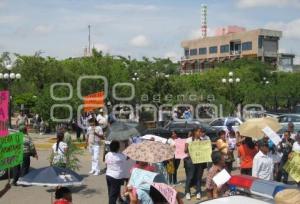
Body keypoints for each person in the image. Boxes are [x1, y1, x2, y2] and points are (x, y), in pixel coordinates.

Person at [184, 127, 210, 200]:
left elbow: (205, 150)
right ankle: (187, 192)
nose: (200, 133)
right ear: (194, 132)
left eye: (200, 132)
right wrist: (190, 146)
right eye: (199, 132)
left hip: (200, 161)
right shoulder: (189, 140)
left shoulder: (202, 140)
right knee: (190, 177)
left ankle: (198, 192)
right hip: (191, 161)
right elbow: (185, 151)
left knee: (198, 177)